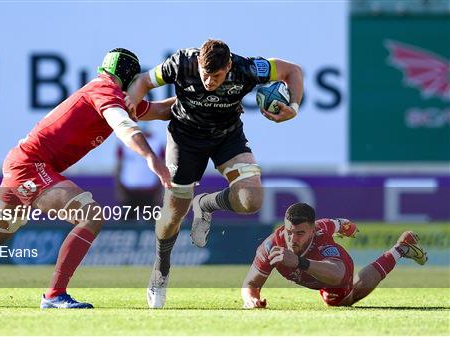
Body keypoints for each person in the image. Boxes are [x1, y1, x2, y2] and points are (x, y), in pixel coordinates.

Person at [0, 48, 174, 309]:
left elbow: (161, 111)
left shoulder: (110, 93)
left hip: (22, 163)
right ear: (129, 78)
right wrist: (151, 157)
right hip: (31, 166)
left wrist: (198, 96)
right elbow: (123, 126)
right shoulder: (107, 91)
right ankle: (54, 295)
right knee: (91, 215)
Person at [126, 39, 304, 308]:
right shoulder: (181, 62)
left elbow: (293, 71)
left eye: (217, 76)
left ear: (229, 66)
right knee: (173, 215)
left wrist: (295, 107)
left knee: (252, 200)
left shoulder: (247, 68)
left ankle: (206, 204)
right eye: (205, 74)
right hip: (184, 140)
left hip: (227, 137)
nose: (209, 81)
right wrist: (132, 103)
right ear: (198, 63)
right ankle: (160, 269)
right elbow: (143, 82)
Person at [241, 203, 428, 308]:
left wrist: (299, 261)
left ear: (312, 230)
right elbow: (250, 284)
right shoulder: (270, 247)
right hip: (315, 272)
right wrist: (251, 300)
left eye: (300, 233)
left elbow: (337, 273)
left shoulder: (321, 236)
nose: (292, 239)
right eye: (289, 231)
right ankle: (402, 247)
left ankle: (400, 250)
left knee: (340, 300)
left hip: (338, 268)